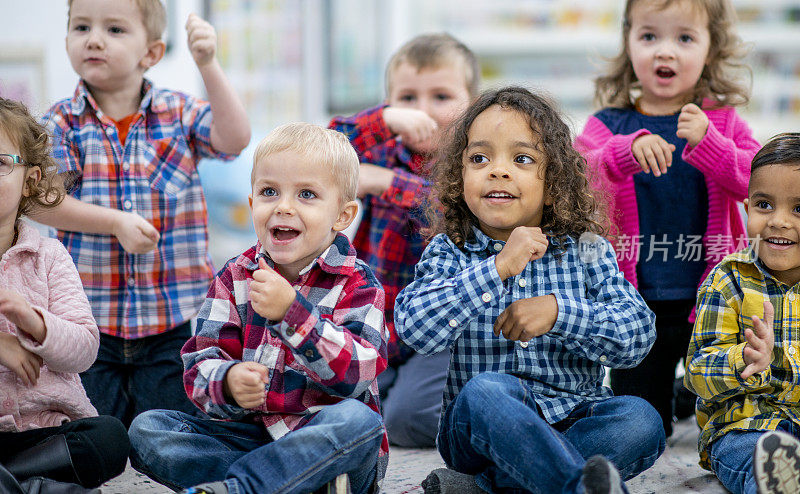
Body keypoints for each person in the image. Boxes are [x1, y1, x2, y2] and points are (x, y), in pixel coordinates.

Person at [395, 87, 665, 494]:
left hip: (573, 415)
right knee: (488, 390)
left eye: (521, 159)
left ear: (554, 181)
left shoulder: (587, 248)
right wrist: (497, 268)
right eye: (479, 158)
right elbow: (415, 328)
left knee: (642, 419)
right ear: (459, 177)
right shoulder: (450, 250)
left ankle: (486, 488)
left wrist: (560, 313)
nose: (498, 171)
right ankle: (572, 486)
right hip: (478, 430)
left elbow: (638, 336)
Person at [127, 123, 389, 494]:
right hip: (251, 436)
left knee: (359, 422)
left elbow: (358, 374)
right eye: (269, 192)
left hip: (327, 444)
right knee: (149, 429)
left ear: (342, 217)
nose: (283, 206)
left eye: (306, 195)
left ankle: (244, 488)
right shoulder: (235, 277)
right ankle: (288, 485)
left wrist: (292, 315)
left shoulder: (358, 283)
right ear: (252, 204)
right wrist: (229, 382)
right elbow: (199, 361)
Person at [35, 0, 250, 426]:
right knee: (91, 430)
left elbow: (234, 139)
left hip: (171, 320)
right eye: (82, 27)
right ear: (67, 41)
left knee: (168, 431)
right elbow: (47, 200)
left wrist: (207, 63)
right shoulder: (59, 122)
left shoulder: (178, 112)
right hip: (89, 323)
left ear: (150, 53)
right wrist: (115, 222)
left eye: (114, 30)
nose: (94, 39)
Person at [574, 0, 761, 438]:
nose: (665, 51)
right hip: (634, 304)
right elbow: (575, 178)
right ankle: (673, 395)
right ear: (628, 43)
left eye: (685, 37)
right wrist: (621, 153)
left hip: (713, 303)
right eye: (649, 36)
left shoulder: (723, 121)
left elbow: (758, 182)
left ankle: (688, 392)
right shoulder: (609, 123)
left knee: (729, 412)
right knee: (642, 423)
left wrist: (712, 145)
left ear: (710, 50)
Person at [328, 33, 478, 448]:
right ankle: (382, 398)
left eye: (441, 96)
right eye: (407, 98)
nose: (422, 111)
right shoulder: (379, 151)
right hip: (380, 321)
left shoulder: (478, 160)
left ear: (473, 103)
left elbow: (454, 208)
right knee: (325, 400)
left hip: (443, 331)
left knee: (409, 421)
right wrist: (384, 121)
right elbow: (323, 149)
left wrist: (386, 183)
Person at [0, 97, 129, 491]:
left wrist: (33, 322)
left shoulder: (49, 256)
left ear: (31, 180)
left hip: (45, 432)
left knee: (109, 439)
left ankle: (16, 480)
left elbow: (86, 349)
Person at [684, 133, 800, 494]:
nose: (778, 221)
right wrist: (745, 359)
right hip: (747, 426)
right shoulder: (728, 279)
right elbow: (697, 372)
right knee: (753, 457)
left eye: (799, 209)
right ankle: (776, 481)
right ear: (747, 207)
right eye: (765, 205)